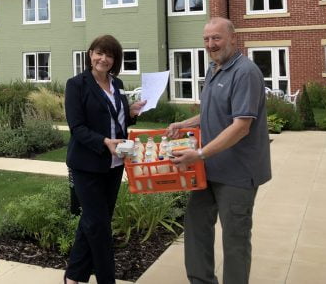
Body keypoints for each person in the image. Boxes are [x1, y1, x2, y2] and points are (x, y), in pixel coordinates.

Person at [167, 17, 271, 284]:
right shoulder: (214, 69)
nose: (210, 44)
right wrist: (183, 123)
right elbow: (210, 113)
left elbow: (241, 126)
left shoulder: (245, 72)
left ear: (233, 38)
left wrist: (199, 154)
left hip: (237, 174)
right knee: (196, 227)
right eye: (206, 39)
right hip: (209, 170)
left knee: (235, 238)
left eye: (216, 38)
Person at [64, 34, 145, 284]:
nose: (104, 58)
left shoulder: (117, 84)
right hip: (87, 165)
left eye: (109, 55)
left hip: (114, 164)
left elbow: (116, 119)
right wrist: (103, 142)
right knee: (99, 227)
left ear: (115, 60)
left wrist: (130, 113)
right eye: (99, 52)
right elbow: (77, 127)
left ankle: (73, 277)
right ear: (90, 54)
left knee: (93, 222)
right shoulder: (76, 84)